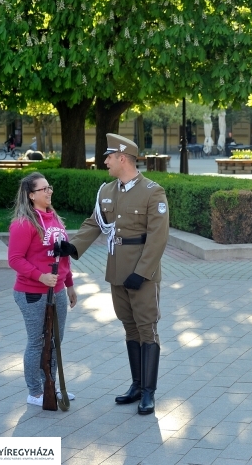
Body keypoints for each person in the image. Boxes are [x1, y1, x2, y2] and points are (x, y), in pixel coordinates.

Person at [59, 133, 169, 415]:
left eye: (108, 156)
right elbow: (94, 223)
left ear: (122, 158)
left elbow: (158, 237)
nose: (105, 161)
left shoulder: (152, 192)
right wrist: (73, 246)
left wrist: (143, 273)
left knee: (147, 328)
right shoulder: (107, 191)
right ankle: (136, 385)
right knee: (129, 327)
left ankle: (148, 392)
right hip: (117, 271)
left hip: (142, 273)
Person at [9, 172, 77, 407]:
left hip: (57, 290)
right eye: (43, 189)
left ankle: (51, 386)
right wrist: (40, 276)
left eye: (49, 188)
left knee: (55, 340)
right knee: (37, 341)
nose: (49, 192)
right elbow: (15, 259)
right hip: (31, 292)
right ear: (31, 195)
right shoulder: (24, 223)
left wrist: (69, 285)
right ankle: (35, 391)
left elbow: (63, 257)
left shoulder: (54, 217)